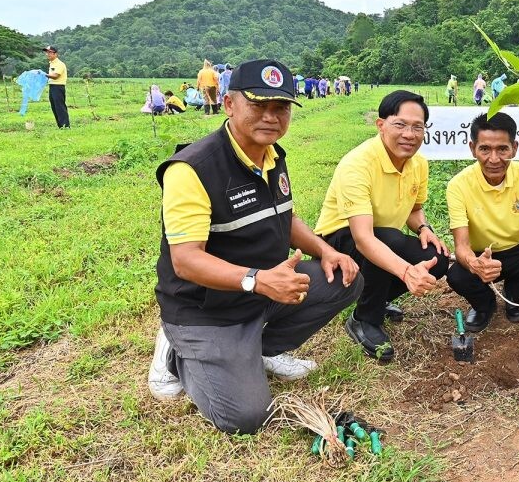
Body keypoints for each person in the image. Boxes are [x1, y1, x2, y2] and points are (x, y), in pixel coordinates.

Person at [147, 59, 363, 434]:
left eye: (280, 108)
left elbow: (286, 218)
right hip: (206, 308)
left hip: (261, 290)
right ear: (229, 104)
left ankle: (256, 349)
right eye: (258, 105)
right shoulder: (192, 169)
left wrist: (325, 250)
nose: (271, 117)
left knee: (345, 277)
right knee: (246, 417)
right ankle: (176, 352)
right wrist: (258, 280)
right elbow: (185, 261)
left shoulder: (274, 156)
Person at [315, 90, 451, 360]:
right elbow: (364, 238)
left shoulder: (419, 164)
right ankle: (364, 319)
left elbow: (414, 209)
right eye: (400, 124)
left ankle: (375, 299)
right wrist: (406, 272)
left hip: (383, 238)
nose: (409, 134)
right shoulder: (358, 164)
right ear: (381, 125)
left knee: (437, 258)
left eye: (417, 127)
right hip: (337, 243)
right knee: (387, 239)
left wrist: (424, 229)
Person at [446, 112, 519, 330]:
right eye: (485, 149)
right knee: (457, 276)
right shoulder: (458, 185)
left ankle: (514, 295)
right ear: (473, 148)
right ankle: (484, 305)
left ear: (515, 148)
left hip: (518, 249)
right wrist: (475, 264)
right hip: (482, 254)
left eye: (502, 149)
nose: (494, 159)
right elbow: (462, 246)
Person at [43, 45, 70, 128]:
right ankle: (60, 125)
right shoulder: (51, 64)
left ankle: (65, 125)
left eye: (50, 52)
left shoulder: (59, 64)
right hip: (52, 87)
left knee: (60, 106)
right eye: (47, 52)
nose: (48, 54)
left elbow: (55, 76)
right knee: (54, 106)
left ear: (56, 54)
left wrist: (44, 75)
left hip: (58, 87)